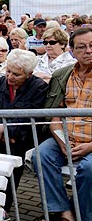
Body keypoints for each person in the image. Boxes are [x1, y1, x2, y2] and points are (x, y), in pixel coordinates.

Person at [32, 27, 92, 221]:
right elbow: (55, 113)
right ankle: (63, 211)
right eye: (82, 47)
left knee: (88, 170)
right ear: (72, 51)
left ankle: (83, 214)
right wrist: (61, 141)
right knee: (40, 156)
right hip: (66, 137)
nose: (89, 51)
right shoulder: (62, 75)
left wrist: (90, 147)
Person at [0, 49, 48, 217]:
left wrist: (7, 130)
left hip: (21, 138)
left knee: (12, 163)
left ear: (29, 74)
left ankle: (2, 206)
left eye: (16, 74)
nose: (10, 77)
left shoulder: (39, 87)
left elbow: (33, 117)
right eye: (8, 71)